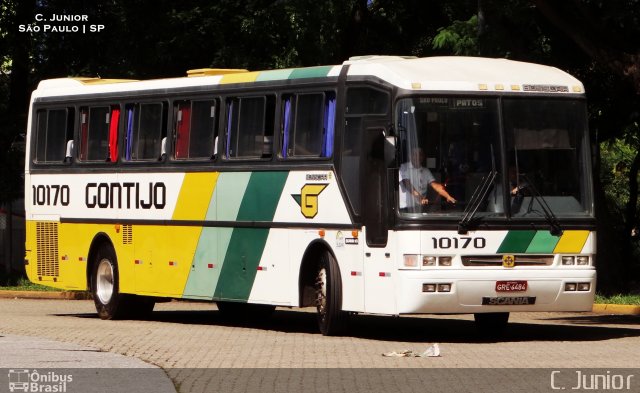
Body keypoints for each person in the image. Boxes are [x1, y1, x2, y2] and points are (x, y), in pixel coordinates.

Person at [399, 147, 456, 212]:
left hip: (418, 207)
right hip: (405, 208)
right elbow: (407, 184)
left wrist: (448, 196)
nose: (418, 157)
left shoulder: (426, 171)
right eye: (415, 154)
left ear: (423, 157)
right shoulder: (403, 167)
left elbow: (436, 186)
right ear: (410, 156)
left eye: (420, 155)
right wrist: (420, 198)